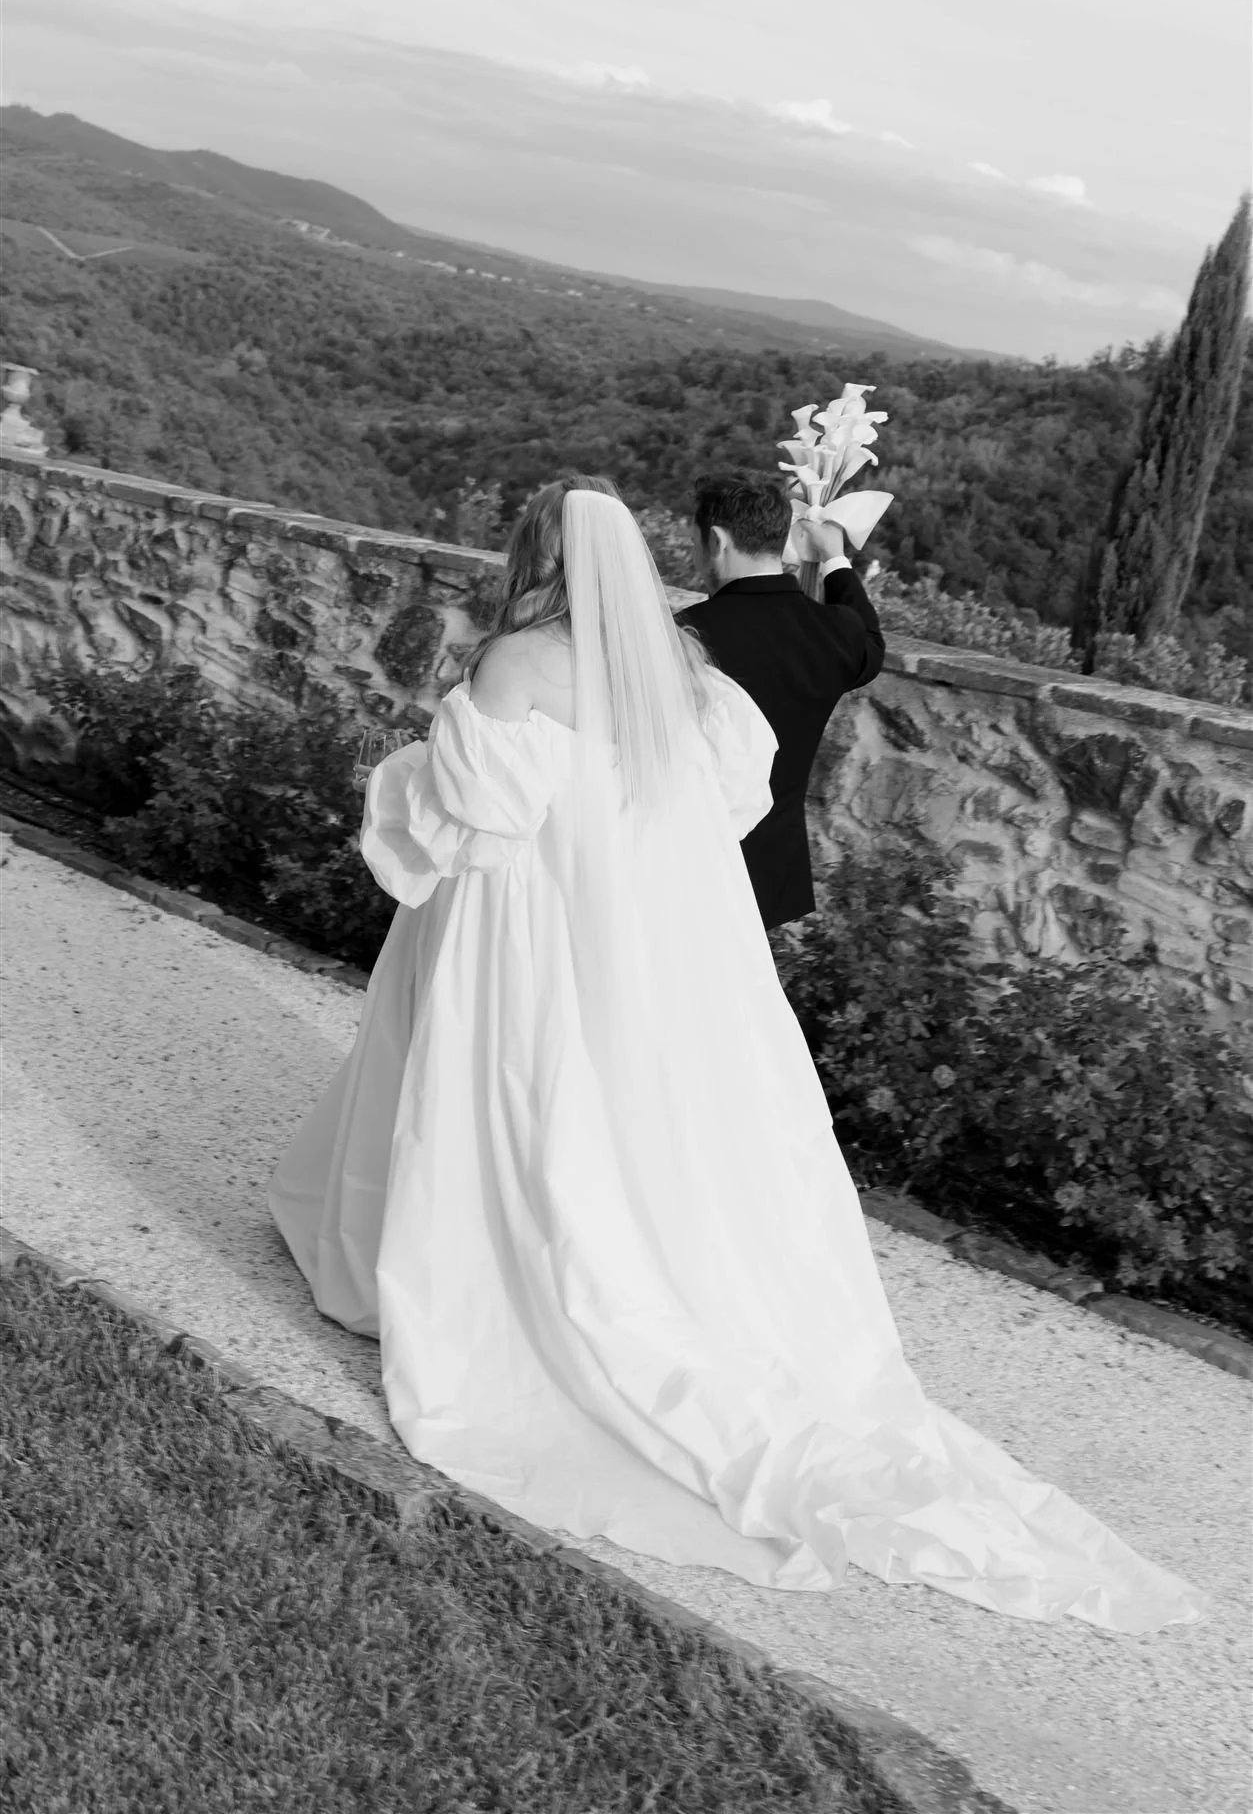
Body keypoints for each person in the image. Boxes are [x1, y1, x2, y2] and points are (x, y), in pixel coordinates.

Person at [268, 473, 1204, 1633]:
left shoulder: (514, 660)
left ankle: (479, 1272)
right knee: (620, 1106)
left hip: (524, 926)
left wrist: (408, 775)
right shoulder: (683, 666)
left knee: (511, 1089)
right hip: (642, 935)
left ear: (534, 555)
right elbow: (729, 797)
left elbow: (474, 811)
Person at [679, 470, 883, 930]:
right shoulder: (834, 633)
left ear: (717, 541)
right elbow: (871, 641)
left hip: (689, 863)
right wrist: (834, 558)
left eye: (695, 543)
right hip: (771, 871)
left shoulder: (683, 636)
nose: (695, 557)